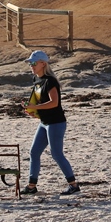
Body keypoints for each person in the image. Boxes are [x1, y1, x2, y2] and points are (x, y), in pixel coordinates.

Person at [21, 50, 80, 196]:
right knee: (34, 152)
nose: (32, 66)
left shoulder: (50, 81)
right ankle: (32, 185)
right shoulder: (36, 80)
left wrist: (34, 107)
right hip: (44, 122)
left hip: (56, 123)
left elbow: (54, 103)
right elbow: (40, 102)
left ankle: (73, 185)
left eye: (34, 63)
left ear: (43, 63)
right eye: (30, 64)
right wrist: (33, 112)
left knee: (56, 154)